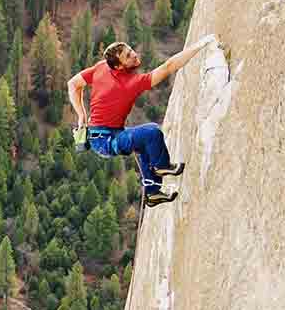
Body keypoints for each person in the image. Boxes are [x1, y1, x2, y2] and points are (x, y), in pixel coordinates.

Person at [67, 35, 215, 207]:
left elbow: (73, 84)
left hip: (105, 133)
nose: (135, 55)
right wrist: (200, 45)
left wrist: (81, 115)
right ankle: (161, 166)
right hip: (105, 141)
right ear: (119, 66)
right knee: (152, 133)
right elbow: (168, 67)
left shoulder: (101, 67)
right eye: (129, 56)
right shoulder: (132, 83)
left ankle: (152, 194)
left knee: (145, 141)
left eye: (131, 50)